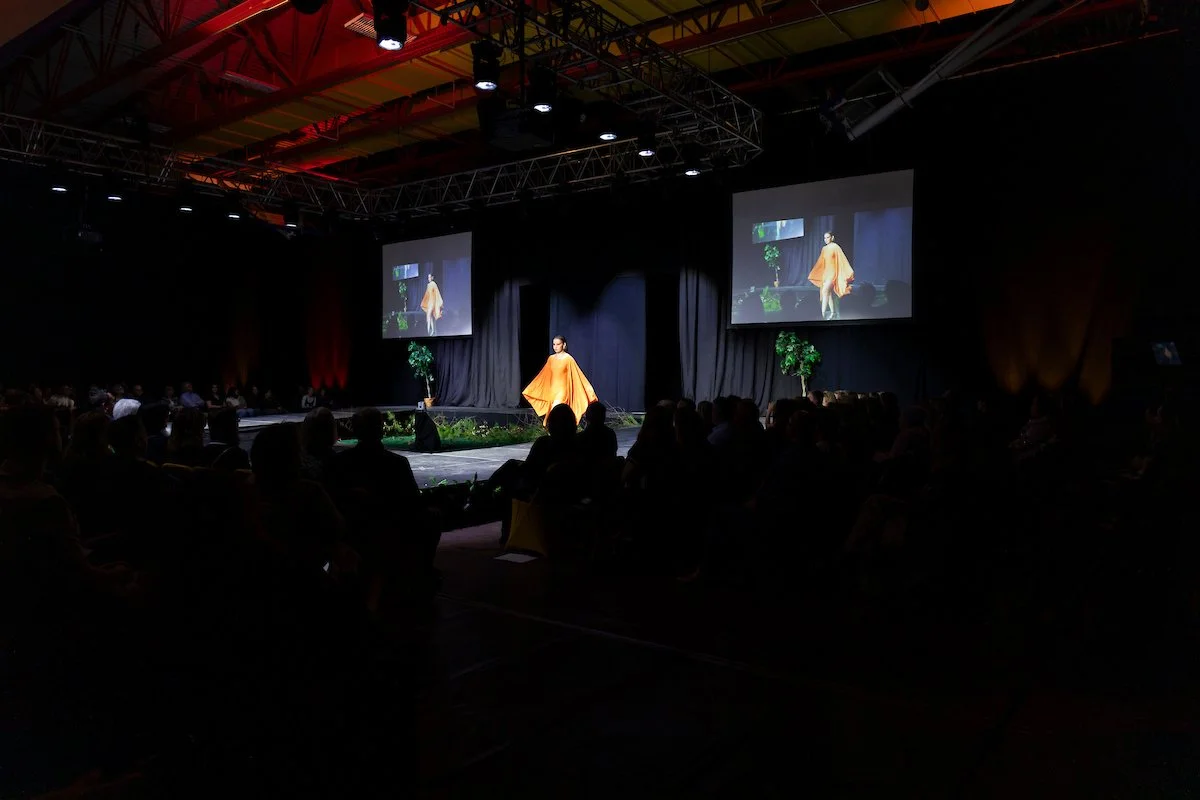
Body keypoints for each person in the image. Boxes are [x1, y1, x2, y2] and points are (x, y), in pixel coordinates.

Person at [522, 335, 598, 426]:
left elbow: (577, 374)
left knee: (556, 409)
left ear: (564, 345)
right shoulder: (551, 359)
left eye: (558, 344)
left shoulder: (568, 359)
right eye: (554, 344)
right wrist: (533, 388)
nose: (555, 347)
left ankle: (559, 430)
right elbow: (544, 374)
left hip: (563, 391)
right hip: (552, 390)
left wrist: (587, 389)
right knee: (554, 413)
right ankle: (558, 431)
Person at [808, 231, 854, 321]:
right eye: (824, 238)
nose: (826, 239)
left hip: (833, 273)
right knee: (828, 294)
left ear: (832, 237)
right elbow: (821, 263)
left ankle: (822, 314)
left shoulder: (835, 247)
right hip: (826, 274)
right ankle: (833, 313)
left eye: (828, 237)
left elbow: (842, 259)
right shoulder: (824, 249)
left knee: (825, 291)